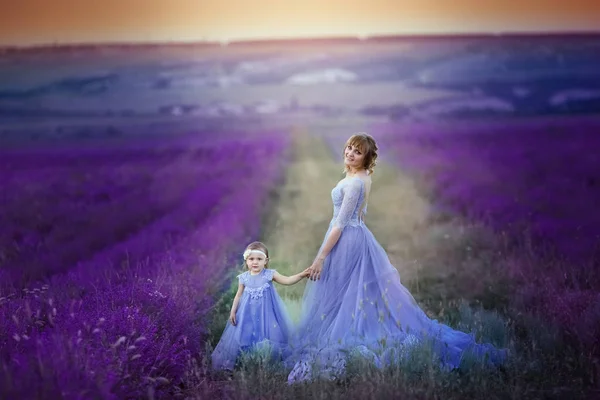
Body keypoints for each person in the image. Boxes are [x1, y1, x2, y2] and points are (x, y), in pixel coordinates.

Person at [286, 133, 509, 383]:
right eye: (349, 147)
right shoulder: (359, 176)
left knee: (343, 290)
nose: (350, 153)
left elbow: (341, 222)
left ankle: (346, 335)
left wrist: (321, 257)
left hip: (346, 238)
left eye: (357, 151)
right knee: (347, 291)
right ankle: (340, 329)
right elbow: (360, 214)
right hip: (354, 235)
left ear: (367, 158)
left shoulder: (357, 182)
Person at [211, 241, 311, 370]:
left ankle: (268, 359)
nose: (255, 262)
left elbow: (287, 280)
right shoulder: (244, 278)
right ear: (246, 260)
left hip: (267, 313)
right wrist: (233, 311)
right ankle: (247, 360)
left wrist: (301, 275)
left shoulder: (270, 274)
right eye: (251, 259)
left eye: (259, 259)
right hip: (247, 313)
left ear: (266, 261)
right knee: (246, 333)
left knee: (269, 333)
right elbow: (238, 295)